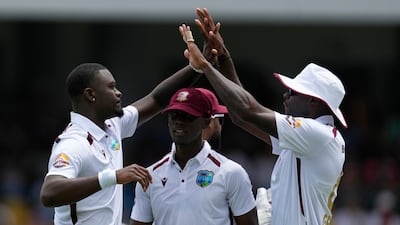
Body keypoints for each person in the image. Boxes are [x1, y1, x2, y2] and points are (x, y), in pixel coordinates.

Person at [178, 8, 347, 225]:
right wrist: (223, 57)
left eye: (293, 92)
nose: (286, 95)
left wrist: (206, 67)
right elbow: (242, 117)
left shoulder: (318, 135)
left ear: (314, 101)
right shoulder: (309, 138)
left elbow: (249, 110)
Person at [39, 62, 205, 225]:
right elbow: (49, 193)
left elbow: (157, 99)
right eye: (111, 87)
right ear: (91, 95)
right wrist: (114, 176)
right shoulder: (74, 142)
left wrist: (197, 66)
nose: (118, 93)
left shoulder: (112, 126)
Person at [129, 87, 258, 225]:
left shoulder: (231, 172)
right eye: (174, 115)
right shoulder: (150, 175)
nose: (179, 121)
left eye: (188, 116)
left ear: (206, 122)